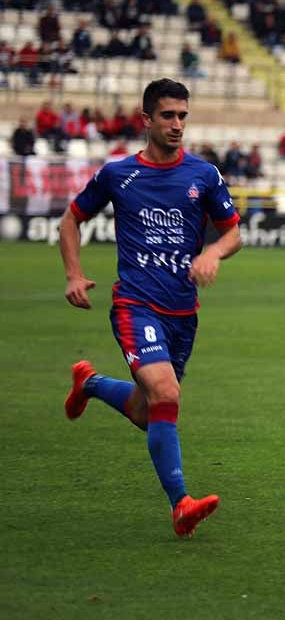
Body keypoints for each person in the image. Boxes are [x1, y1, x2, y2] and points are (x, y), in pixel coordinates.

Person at [58, 78, 242, 538]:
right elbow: (71, 220)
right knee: (166, 395)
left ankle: (92, 383)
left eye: (183, 115)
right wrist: (74, 275)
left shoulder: (204, 175)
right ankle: (181, 504)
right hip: (135, 304)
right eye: (168, 116)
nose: (177, 124)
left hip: (183, 312)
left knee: (147, 411)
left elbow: (233, 232)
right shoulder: (119, 176)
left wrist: (212, 253)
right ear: (146, 120)